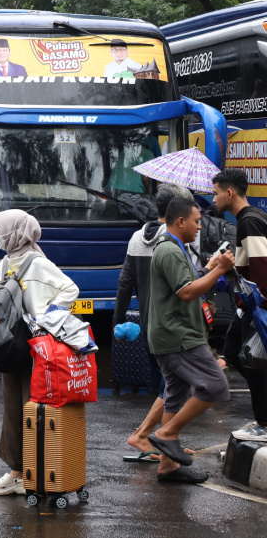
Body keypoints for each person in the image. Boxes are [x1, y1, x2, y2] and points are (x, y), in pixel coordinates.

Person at [0, 209, 79, 495]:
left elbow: (70, 289)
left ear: (17, 233)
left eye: (3, 230)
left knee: (33, 408)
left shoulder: (37, 263)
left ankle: (30, 471)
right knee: (12, 408)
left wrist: (45, 320)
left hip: (37, 349)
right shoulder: (7, 260)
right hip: (13, 345)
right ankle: (19, 471)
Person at [146, 195, 235, 483]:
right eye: (197, 222)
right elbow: (186, 292)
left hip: (172, 334)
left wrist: (208, 270)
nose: (199, 227)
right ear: (181, 221)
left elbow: (185, 283)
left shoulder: (176, 248)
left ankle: (167, 466)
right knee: (215, 384)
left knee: (174, 396)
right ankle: (166, 434)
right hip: (179, 336)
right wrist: (221, 269)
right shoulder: (170, 251)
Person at [115, 183, 192, 460]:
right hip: (170, 327)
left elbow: (125, 282)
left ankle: (167, 442)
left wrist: (118, 319)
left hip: (148, 324)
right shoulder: (173, 239)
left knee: (163, 385)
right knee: (171, 387)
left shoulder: (137, 237)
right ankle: (149, 437)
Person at [212, 168, 267, 441]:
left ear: (229, 193)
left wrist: (257, 309)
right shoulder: (248, 219)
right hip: (245, 306)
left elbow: (261, 268)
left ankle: (264, 422)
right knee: (234, 351)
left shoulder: (249, 222)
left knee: (253, 361)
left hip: (256, 307)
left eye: (216, 192)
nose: (213, 199)